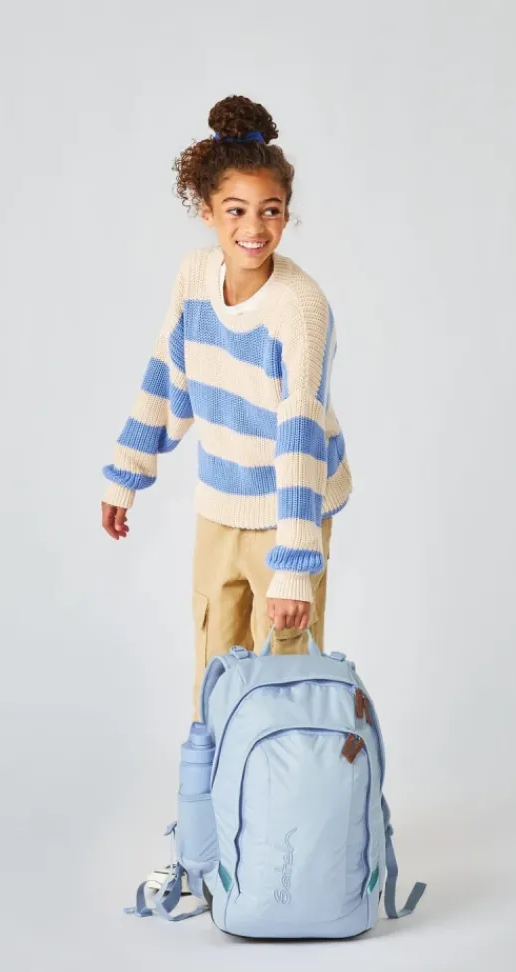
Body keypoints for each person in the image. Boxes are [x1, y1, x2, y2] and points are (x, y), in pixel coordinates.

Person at [101, 92, 353, 724]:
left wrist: (293, 568)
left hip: (289, 510)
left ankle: (286, 795)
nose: (254, 228)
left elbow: (300, 439)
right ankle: (215, 785)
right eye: (236, 210)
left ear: (287, 213)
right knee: (214, 673)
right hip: (220, 503)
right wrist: (126, 473)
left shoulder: (300, 308)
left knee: (285, 683)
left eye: (271, 211)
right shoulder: (194, 279)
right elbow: (166, 376)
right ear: (207, 211)